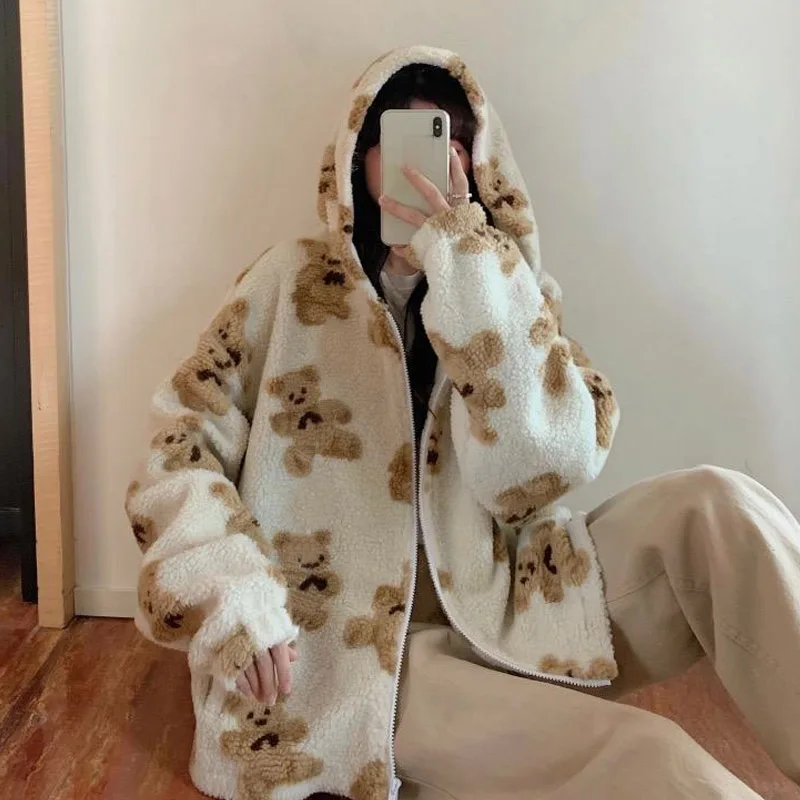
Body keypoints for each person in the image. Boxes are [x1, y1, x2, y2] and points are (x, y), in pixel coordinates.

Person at [125, 46, 800, 800]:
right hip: (360, 658)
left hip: (512, 601)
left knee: (720, 507)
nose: (423, 166)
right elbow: (177, 448)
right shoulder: (287, 283)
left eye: (446, 143)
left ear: (476, 164)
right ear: (357, 161)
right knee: (654, 756)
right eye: (397, 143)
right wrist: (233, 592)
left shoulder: (507, 285)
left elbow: (540, 470)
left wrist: (465, 264)